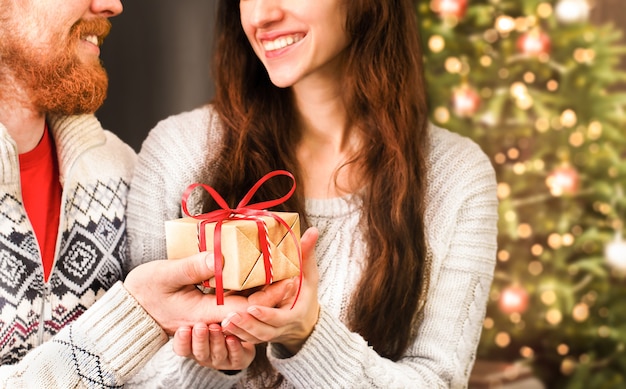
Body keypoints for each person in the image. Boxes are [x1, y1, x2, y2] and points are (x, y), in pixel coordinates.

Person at [126, 0, 499, 387]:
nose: (260, 16)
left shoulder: (456, 176)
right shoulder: (177, 153)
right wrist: (214, 363)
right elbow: (130, 376)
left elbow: (438, 381)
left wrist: (308, 337)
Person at [0, 0, 294, 387]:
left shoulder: (118, 168)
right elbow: (127, 328)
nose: (112, 5)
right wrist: (135, 316)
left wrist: (207, 357)